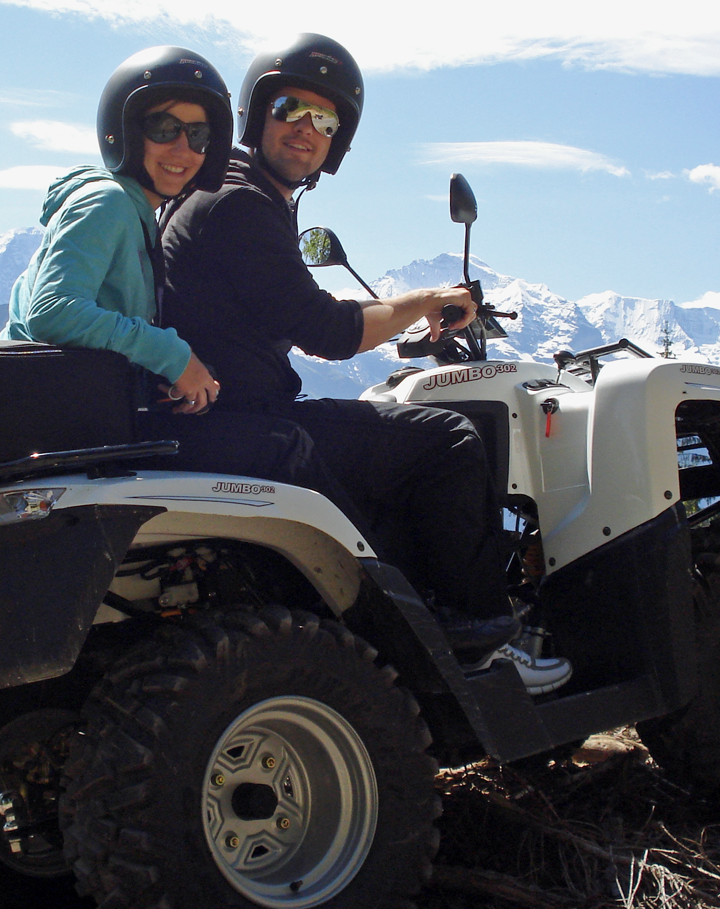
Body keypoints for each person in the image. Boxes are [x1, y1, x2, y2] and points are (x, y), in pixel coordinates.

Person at [160, 34, 570, 692]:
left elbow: (287, 309)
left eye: (325, 119)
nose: (306, 129)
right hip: (246, 424)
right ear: (258, 111)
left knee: (379, 444)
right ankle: (486, 643)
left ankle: (424, 622)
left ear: (337, 140)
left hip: (223, 420)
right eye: (293, 107)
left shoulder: (221, 195)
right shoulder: (242, 204)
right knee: (448, 442)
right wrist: (423, 301)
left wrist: (401, 315)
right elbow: (327, 330)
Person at [1, 46, 343, 500]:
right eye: (164, 129)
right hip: (55, 429)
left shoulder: (140, 214)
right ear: (123, 132)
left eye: (199, 135)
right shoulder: (108, 202)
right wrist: (171, 354)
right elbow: (53, 312)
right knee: (284, 447)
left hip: (82, 420)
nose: (183, 150)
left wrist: (163, 377)